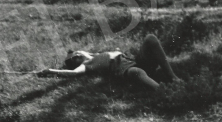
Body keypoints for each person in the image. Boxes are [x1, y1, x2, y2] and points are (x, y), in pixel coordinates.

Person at [37, 34, 180, 92]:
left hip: (135, 60)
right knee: (137, 72)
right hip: (125, 70)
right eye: (74, 59)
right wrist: (51, 71)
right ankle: (163, 91)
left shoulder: (97, 54)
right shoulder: (87, 64)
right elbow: (73, 73)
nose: (76, 55)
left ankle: (173, 77)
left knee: (150, 38)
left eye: (75, 53)